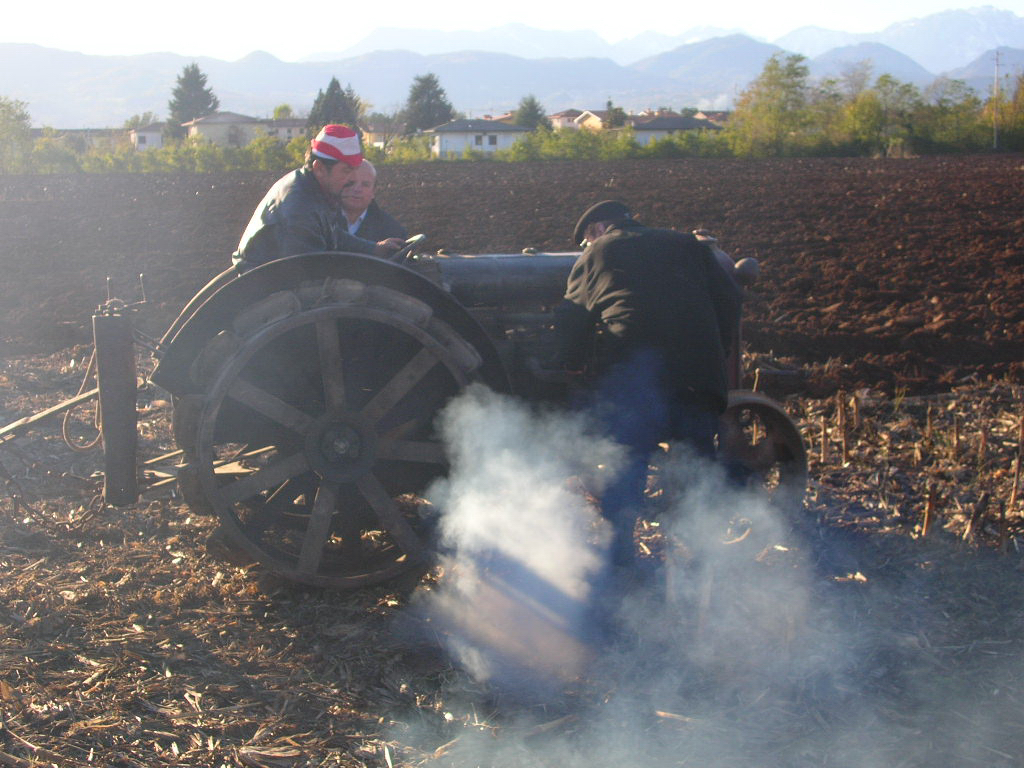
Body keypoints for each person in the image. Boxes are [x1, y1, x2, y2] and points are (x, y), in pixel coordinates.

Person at [553, 200, 743, 573]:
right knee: (696, 470)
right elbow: (731, 298)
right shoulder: (688, 245)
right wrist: (715, 348)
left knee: (628, 465)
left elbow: (571, 318)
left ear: (595, 231)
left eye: (585, 242)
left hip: (636, 380)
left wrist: (571, 365)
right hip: (697, 376)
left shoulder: (599, 252)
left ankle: (621, 563)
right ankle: (701, 566)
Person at [232, 125, 403, 270]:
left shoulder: (315, 188)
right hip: (267, 285)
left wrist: (374, 249)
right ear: (320, 168)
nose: (351, 179)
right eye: (345, 171)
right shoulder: (299, 208)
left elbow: (332, 234)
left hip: (288, 274)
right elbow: (309, 272)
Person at [340, 160, 408, 241]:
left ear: (373, 191)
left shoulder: (393, 231)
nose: (357, 189)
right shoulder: (322, 221)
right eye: (351, 183)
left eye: (365, 185)